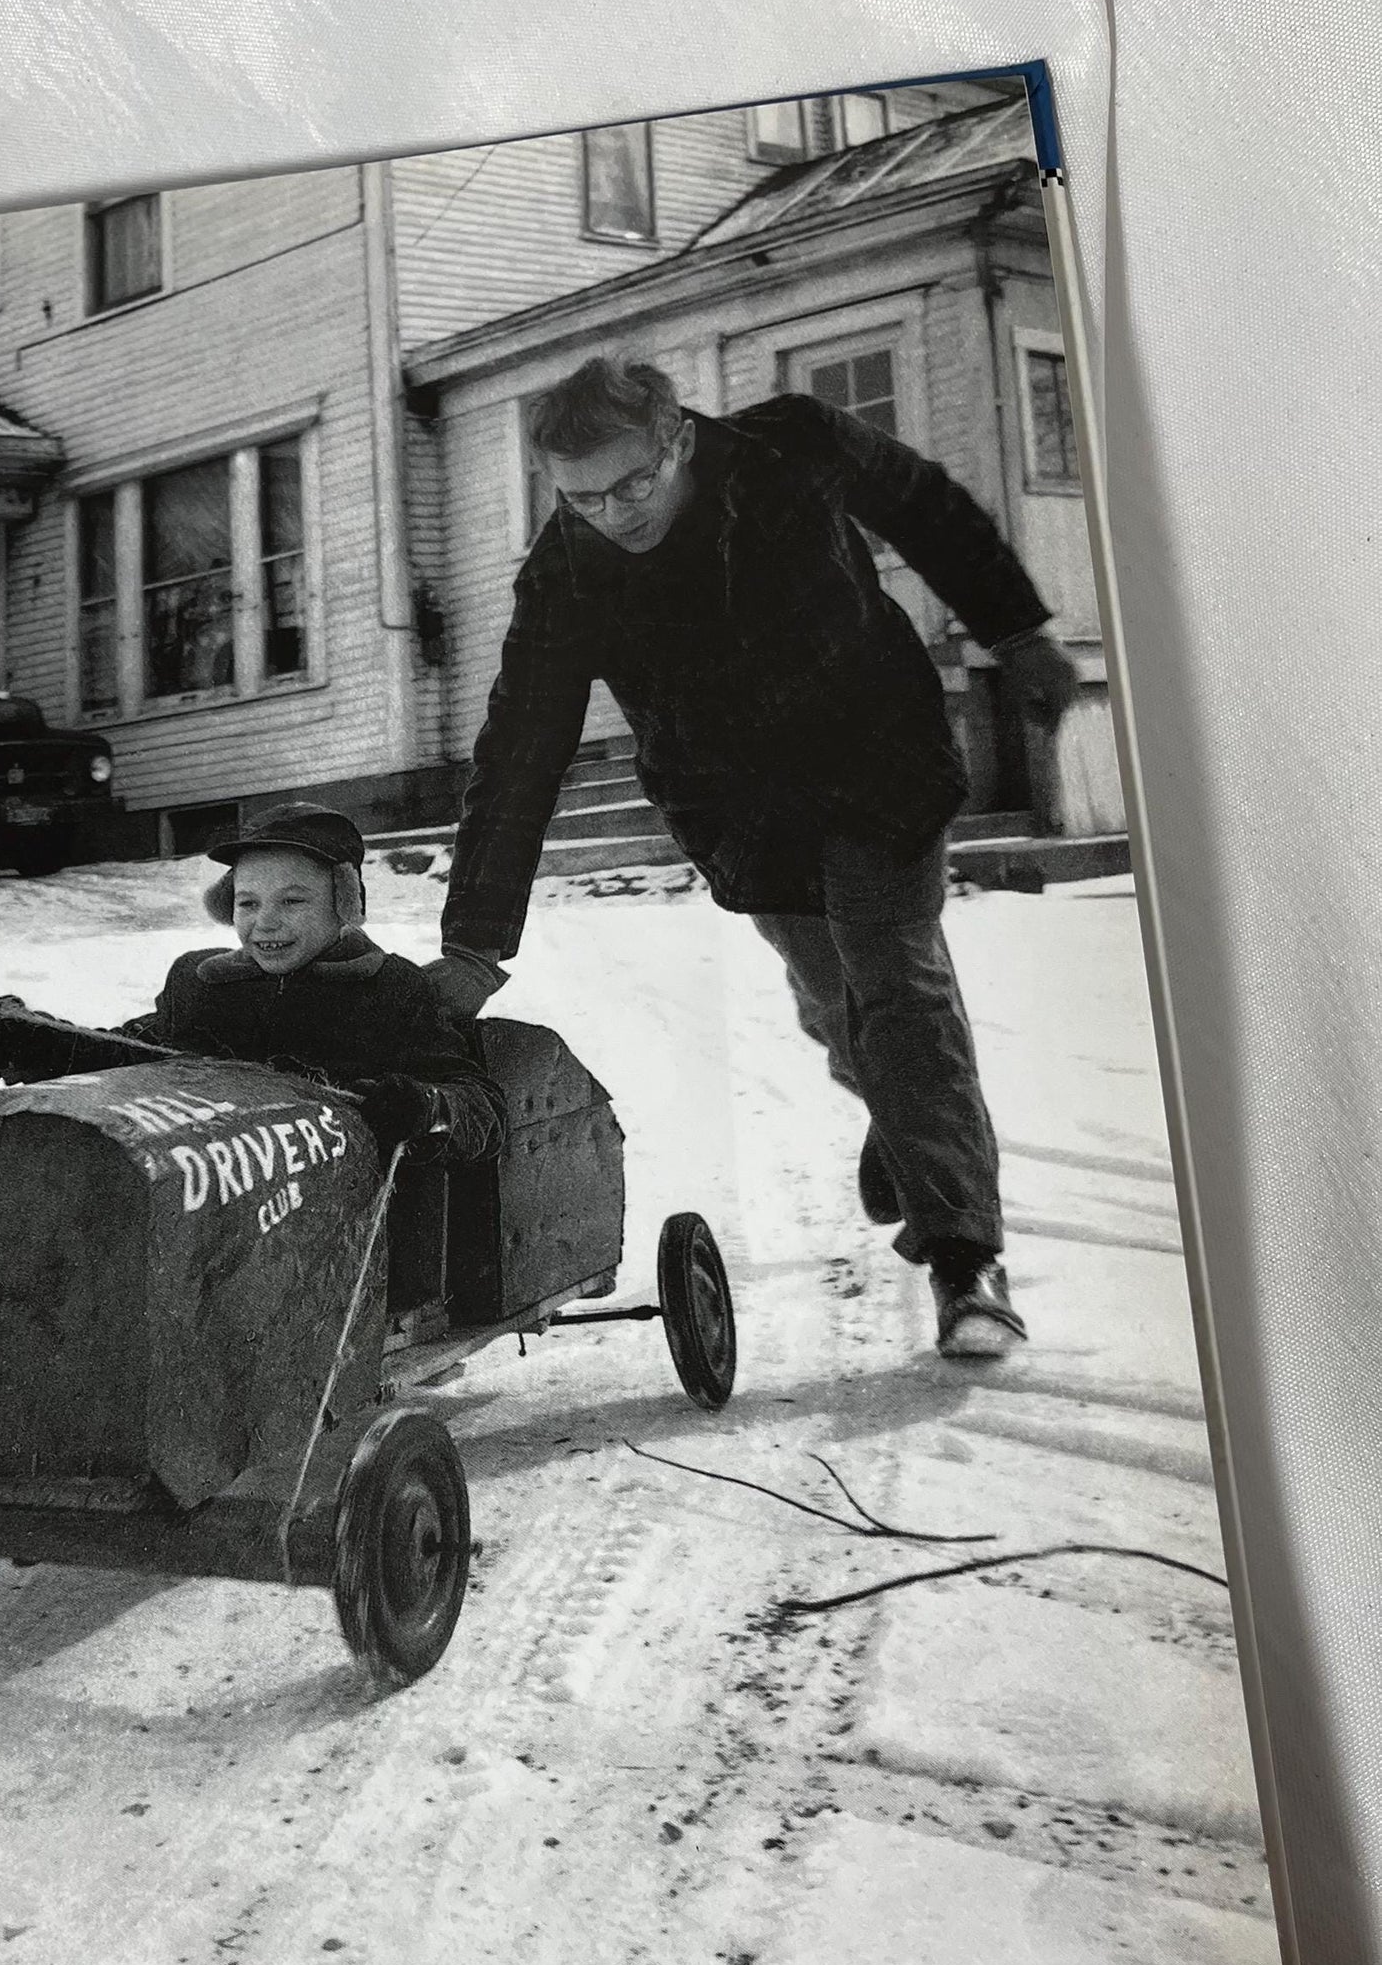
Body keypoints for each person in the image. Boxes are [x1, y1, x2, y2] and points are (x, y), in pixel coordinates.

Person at [421, 355, 1078, 1357]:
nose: (610, 511)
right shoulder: (564, 574)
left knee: (896, 990)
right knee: (834, 1009)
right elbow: (518, 751)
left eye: (630, 482)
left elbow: (923, 506)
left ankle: (964, 1263)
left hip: (875, 766)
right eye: (580, 495)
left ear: (676, 438)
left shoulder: (794, 446)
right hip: (745, 814)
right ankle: (907, 1128)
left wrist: (1017, 631)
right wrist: (473, 942)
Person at [0, 802, 506, 1163]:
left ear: (344, 903)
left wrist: (425, 1106)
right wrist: (39, 1041)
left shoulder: (390, 991)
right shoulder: (204, 985)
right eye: (247, 903)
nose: (264, 923)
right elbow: (142, 1055)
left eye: (293, 901)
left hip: (344, 1223)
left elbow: (481, 1108)